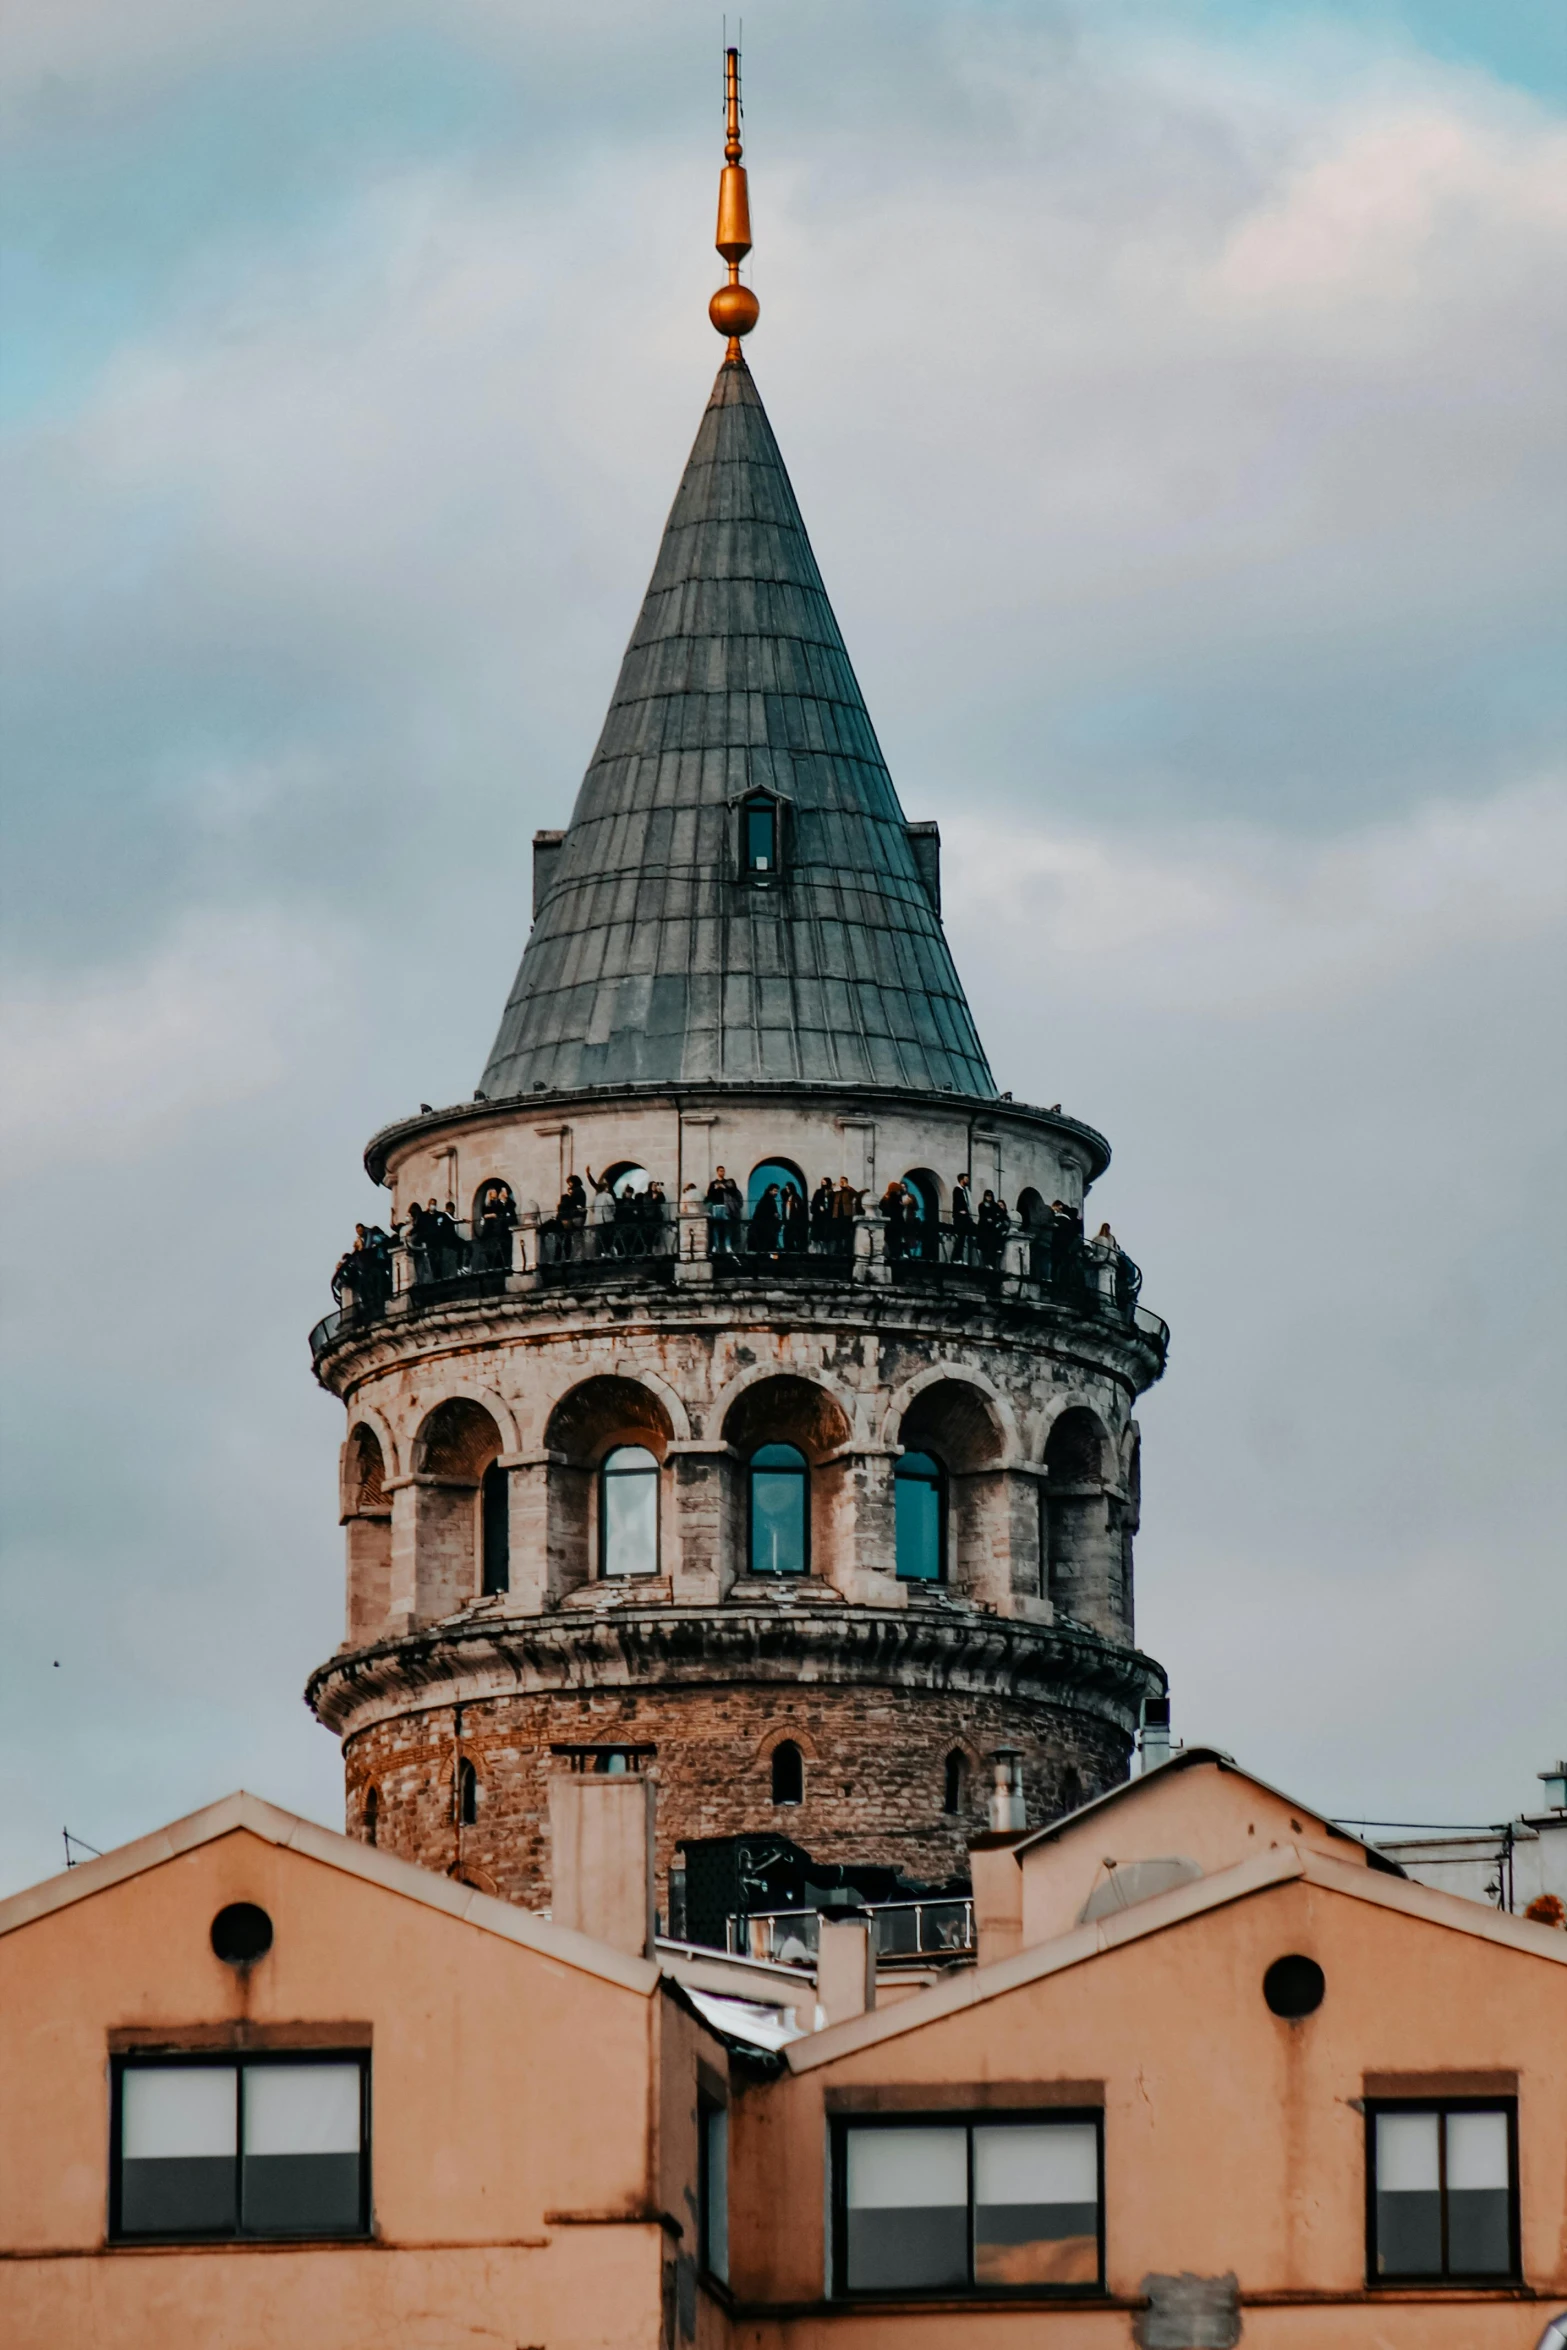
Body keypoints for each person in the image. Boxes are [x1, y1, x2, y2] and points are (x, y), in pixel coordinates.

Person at [706, 1166, 734, 1256]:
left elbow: (733, 1190)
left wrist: (724, 1187)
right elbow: (709, 1194)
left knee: (727, 1227)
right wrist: (715, 1188)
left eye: (723, 1171)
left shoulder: (727, 1182)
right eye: (721, 1171)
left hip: (725, 1206)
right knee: (715, 1227)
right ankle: (715, 1246)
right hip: (716, 1206)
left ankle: (728, 1246)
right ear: (717, 1172)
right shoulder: (713, 1183)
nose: (722, 1172)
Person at [750, 1182, 782, 1259]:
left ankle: (768, 1258)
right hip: (765, 1227)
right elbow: (768, 1212)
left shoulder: (766, 1199)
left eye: (777, 1191)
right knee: (767, 1246)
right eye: (775, 1190)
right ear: (770, 1191)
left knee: (766, 1247)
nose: (776, 1192)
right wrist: (775, 1215)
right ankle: (769, 1258)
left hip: (765, 1227)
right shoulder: (768, 1200)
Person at [950, 1171, 975, 1264]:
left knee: (963, 1237)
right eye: (966, 1179)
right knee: (960, 1238)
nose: (967, 1180)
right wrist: (959, 1211)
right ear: (961, 1180)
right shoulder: (957, 1190)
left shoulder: (965, 1191)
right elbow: (956, 1202)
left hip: (965, 1217)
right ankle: (956, 1258)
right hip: (960, 1218)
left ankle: (959, 1257)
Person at [831, 1175, 859, 1255]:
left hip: (846, 1215)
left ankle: (847, 1249)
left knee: (846, 1233)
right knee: (837, 1233)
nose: (841, 1183)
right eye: (841, 1181)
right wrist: (833, 1188)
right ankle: (838, 1249)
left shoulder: (849, 1191)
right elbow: (830, 1195)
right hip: (837, 1215)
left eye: (843, 1181)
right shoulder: (837, 1192)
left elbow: (856, 1194)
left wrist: (848, 1187)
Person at [809, 1176, 835, 1252]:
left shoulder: (831, 1193)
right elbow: (815, 1202)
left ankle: (825, 1250)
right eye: (822, 1182)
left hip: (828, 1217)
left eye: (824, 1182)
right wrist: (819, 1206)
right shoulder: (818, 1192)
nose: (823, 1184)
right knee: (817, 1234)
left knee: (826, 1235)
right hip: (818, 1216)